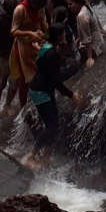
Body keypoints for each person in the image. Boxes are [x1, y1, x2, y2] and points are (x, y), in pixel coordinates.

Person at [26, 22, 80, 163]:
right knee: (51, 127)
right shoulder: (52, 53)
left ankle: (45, 156)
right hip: (40, 92)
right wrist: (71, 95)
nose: (65, 36)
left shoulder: (48, 46)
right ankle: (33, 154)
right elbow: (56, 81)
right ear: (58, 36)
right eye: (63, 34)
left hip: (43, 88)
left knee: (53, 125)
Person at [8, 0, 50, 108]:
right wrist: (30, 33)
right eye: (38, 7)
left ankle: (39, 102)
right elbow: (13, 31)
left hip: (37, 43)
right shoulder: (20, 9)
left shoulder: (40, 8)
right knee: (25, 79)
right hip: (22, 47)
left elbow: (44, 25)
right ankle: (24, 107)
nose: (39, 10)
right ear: (33, 3)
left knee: (41, 72)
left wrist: (47, 36)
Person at [67, 0, 105, 68]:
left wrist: (90, 58)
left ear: (78, 2)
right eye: (68, 4)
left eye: (70, 4)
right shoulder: (86, 6)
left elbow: (87, 39)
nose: (69, 7)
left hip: (94, 49)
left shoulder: (81, 16)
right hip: (100, 43)